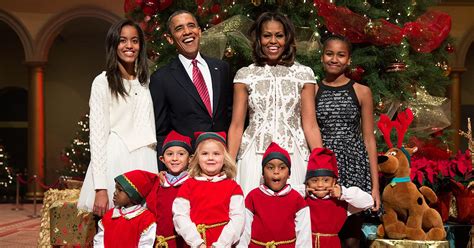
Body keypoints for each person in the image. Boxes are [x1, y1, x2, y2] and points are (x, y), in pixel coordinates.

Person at [228, 11, 319, 195]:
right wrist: (228, 164)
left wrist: (321, 162)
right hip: (254, 153)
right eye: (267, 35)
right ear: (259, 39)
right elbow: (237, 125)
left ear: (287, 38)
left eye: (279, 35)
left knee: (294, 213)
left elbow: (310, 124)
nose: (273, 41)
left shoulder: (304, 73)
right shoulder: (245, 74)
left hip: (294, 152)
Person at [77, 19, 158, 216]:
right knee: (113, 229)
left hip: (146, 159)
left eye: (135, 41)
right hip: (117, 158)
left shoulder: (146, 81)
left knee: (144, 229)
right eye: (122, 40)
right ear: (114, 45)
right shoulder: (102, 82)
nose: (129, 46)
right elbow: (97, 137)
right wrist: (101, 188)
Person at [315, 34, 380, 247]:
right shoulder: (312, 90)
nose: (334, 59)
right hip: (325, 167)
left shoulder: (361, 91)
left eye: (341, 55)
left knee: (351, 234)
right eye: (329, 53)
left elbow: (369, 138)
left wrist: (375, 186)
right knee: (324, 227)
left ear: (349, 59)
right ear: (322, 56)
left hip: (354, 165)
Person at [150, 10, 233, 170]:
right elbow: (160, 131)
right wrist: (164, 170)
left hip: (222, 161)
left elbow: (230, 115)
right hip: (187, 167)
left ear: (199, 31)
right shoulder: (162, 78)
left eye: (191, 26)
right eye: (179, 28)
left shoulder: (221, 68)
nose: (187, 32)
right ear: (169, 38)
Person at [172, 132, 245, 247]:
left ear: (224, 158)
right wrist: (197, 243)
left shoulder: (233, 187)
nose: (210, 158)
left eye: (216, 154)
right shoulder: (188, 186)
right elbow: (180, 216)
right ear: (197, 158)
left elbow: (238, 219)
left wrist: (221, 244)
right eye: (205, 154)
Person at [237, 142, 312, 247]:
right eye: (270, 167)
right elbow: (244, 232)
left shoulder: (297, 200)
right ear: (263, 173)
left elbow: (304, 237)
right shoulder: (253, 197)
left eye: (282, 168)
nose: (276, 172)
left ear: (289, 173)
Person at [305, 148, 373, 248]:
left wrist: (342, 192)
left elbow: (369, 202)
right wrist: (304, 190)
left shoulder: (341, 203)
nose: (320, 185)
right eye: (314, 181)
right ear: (307, 182)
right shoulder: (302, 200)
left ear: (334, 182)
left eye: (326, 180)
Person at [146, 130, 192, 248]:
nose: (175, 158)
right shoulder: (158, 184)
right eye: (169, 154)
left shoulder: (193, 183)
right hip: (161, 242)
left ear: (190, 159)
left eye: (181, 154)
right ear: (162, 159)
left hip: (186, 242)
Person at [94, 170, 157, 247]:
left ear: (133, 196)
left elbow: (146, 244)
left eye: (120, 190)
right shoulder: (109, 216)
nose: (115, 193)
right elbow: (99, 242)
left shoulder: (146, 219)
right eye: (115, 189)